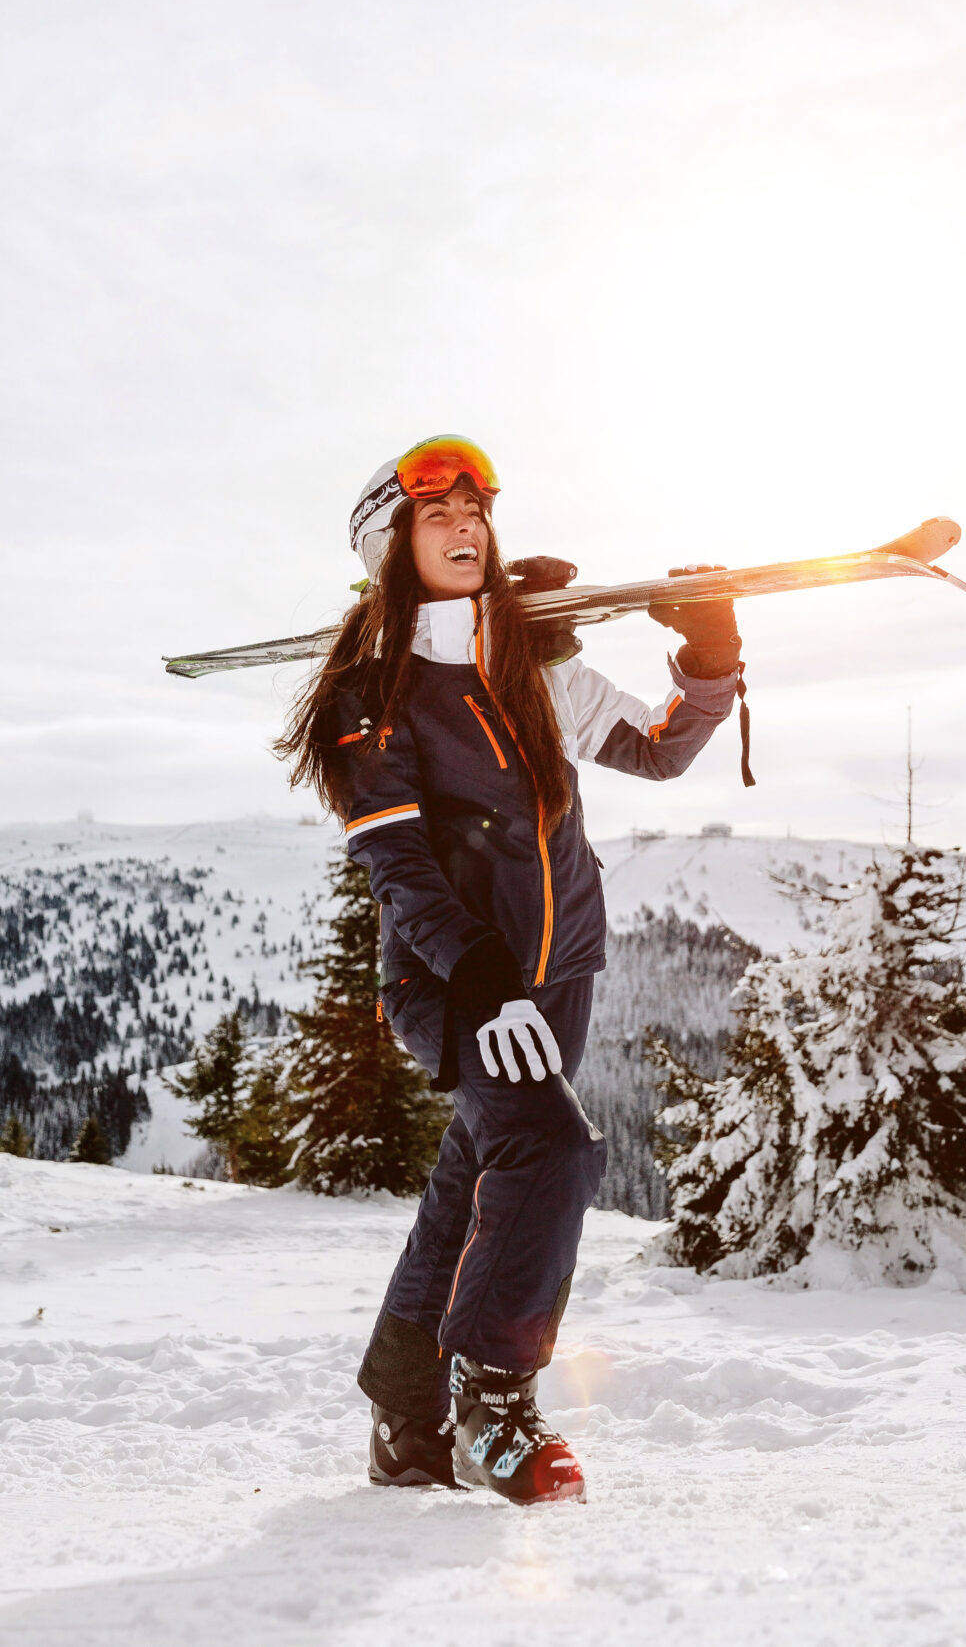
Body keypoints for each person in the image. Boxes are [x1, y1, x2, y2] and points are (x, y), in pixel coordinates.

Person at [278, 435, 744, 1505]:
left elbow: (659, 747)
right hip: (455, 982)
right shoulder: (370, 691)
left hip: (560, 967)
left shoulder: (533, 663)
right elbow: (396, 862)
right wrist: (479, 976)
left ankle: (408, 1424)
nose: (465, 526)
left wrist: (709, 655)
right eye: (436, 515)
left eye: (476, 511)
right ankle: (493, 1402)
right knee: (551, 1148)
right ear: (390, 547)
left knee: (475, 1180)